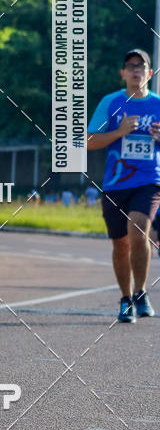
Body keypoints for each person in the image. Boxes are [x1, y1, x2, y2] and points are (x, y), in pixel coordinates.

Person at [87, 48, 160, 323]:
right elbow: (89, 141)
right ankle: (126, 298)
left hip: (150, 181)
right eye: (130, 66)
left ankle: (141, 292)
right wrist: (119, 132)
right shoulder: (111, 103)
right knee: (121, 245)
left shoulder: (158, 104)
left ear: (150, 73)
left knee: (139, 227)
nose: (136, 70)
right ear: (123, 73)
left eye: (141, 66)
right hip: (116, 183)